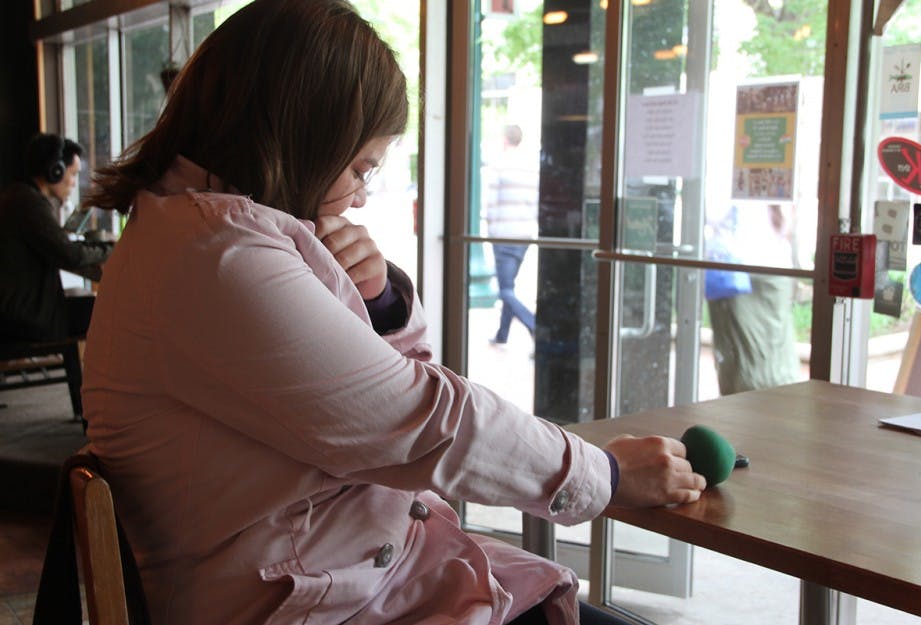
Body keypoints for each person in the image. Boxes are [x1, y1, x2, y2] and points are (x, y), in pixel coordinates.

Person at [80, 2, 707, 624]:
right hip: (325, 602)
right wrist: (605, 473)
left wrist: (377, 300)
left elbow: (392, 390)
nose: (359, 194)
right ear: (303, 134)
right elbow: (417, 419)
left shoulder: (207, 233)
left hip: (360, 577)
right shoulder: (215, 256)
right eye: (359, 167)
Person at [0, 133, 112, 342]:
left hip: (14, 313)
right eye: (73, 174)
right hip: (24, 320)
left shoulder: (17, 196)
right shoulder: (28, 203)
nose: (73, 184)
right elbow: (70, 256)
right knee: (110, 311)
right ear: (56, 170)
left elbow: (59, 250)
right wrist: (113, 249)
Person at [704, 203, 799, 395]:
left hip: (740, 270)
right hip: (760, 270)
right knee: (763, 351)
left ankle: (753, 404)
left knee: (743, 354)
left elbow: (710, 214)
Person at [484, 124, 537, 345]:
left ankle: (534, 325)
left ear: (505, 140)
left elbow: (492, 205)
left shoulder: (499, 165)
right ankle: (502, 334)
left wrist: (491, 230)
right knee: (509, 285)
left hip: (504, 236)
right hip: (524, 235)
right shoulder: (530, 166)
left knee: (504, 289)